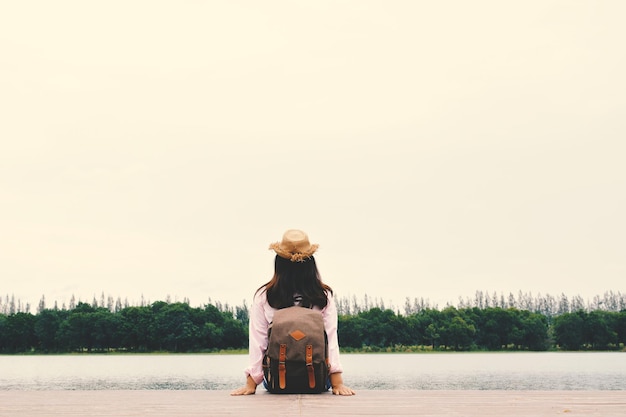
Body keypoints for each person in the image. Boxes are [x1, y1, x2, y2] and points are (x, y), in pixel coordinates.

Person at [231, 229, 356, 396]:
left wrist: (251, 384)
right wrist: (337, 383)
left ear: (279, 264)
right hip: (318, 381)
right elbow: (331, 340)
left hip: (277, 382)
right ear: (310, 264)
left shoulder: (264, 297)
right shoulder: (323, 296)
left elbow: (258, 342)